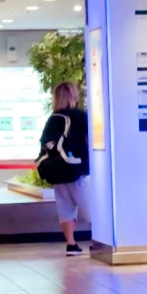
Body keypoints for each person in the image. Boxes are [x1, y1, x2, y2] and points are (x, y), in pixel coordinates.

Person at [39, 82, 90, 256]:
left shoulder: (53, 118)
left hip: (57, 170)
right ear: (73, 96)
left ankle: (71, 244)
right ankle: (100, 241)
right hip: (77, 170)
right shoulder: (79, 116)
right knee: (91, 208)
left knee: (65, 207)